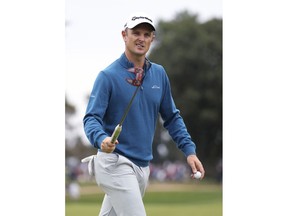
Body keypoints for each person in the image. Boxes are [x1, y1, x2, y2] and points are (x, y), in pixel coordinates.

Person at [83, 12, 205, 216]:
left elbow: (172, 118)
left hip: (142, 166)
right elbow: (91, 119)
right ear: (124, 35)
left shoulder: (159, 74)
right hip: (114, 163)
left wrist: (189, 151)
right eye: (136, 33)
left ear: (152, 39)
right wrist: (101, 138)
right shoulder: (108, 76)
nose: (141, 38)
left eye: (147, 34)